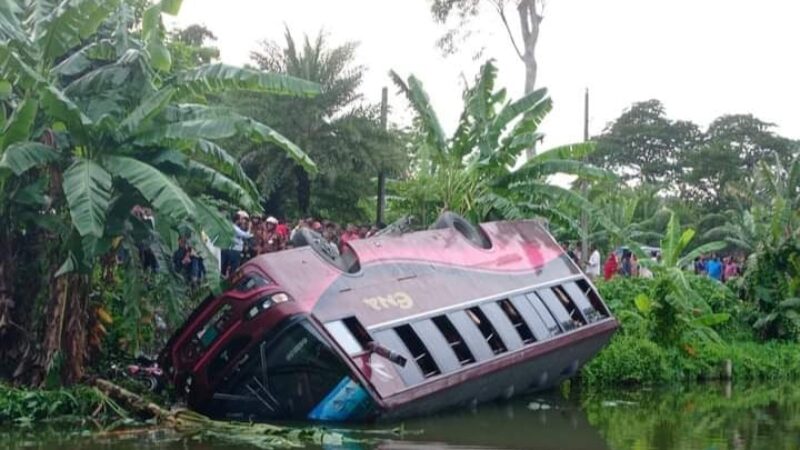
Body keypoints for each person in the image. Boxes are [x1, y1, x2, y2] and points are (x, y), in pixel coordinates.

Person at [221, 211, 252, 277]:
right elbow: (246, 235)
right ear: (238, 219)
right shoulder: (234, 228)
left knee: (224, 267)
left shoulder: (232, 226)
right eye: (242, 219)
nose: (244, 221)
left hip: (229, 249)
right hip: (234, 250)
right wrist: (249, 227)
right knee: (233, 269)